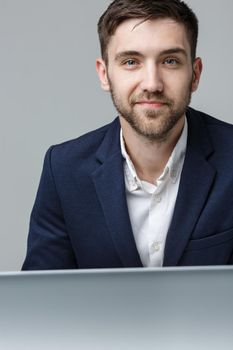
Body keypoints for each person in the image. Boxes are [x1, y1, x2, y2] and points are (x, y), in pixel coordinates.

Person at [22, 0, 233, 270]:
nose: (152, 84)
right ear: (104, 74)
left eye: (170, 61)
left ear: (195, 74)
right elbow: (41, 301)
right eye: (131, 62)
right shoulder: (63, 171)